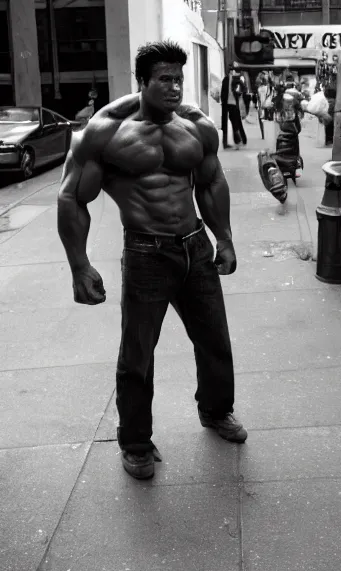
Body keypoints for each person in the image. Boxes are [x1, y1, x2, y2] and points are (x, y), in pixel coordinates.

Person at [57, 40, 248, 480]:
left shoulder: (196, 125)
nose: (175, 87)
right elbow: (71, 197)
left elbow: (211, 182)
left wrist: (226, 239)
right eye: (164, 79)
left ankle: (216, 411)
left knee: (215, 339)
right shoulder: (105, 133)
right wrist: (79, 265)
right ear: (141, 82)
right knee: (138, 353)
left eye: (179, 78)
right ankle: (137, 442)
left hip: (195, 247)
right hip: (146, 253)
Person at [221, 62, 247, 149]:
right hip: (227, 103)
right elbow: (223, 92)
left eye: (232, 70)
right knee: (228, 123)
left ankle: (239, 140)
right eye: (231, 70)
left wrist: (239, 93)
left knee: (235, 122)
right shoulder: (227, 79)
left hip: (232, 103)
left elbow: (243, 88)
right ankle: (227, 143)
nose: (232, 72)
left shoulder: (236, 79)